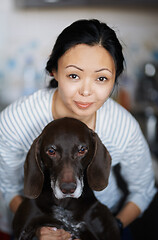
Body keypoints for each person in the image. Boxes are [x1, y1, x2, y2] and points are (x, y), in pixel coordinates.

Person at [0, 19, 156, 240]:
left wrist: (111, 228)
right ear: (54, 70)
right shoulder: (15, 121)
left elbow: (143, 190)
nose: (86, 91)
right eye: (74, 75)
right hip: (37, 220)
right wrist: (39, 231)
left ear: (115, 80)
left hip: (103, 219)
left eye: (101, 78)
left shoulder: (123, 128)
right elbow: (9, 189)